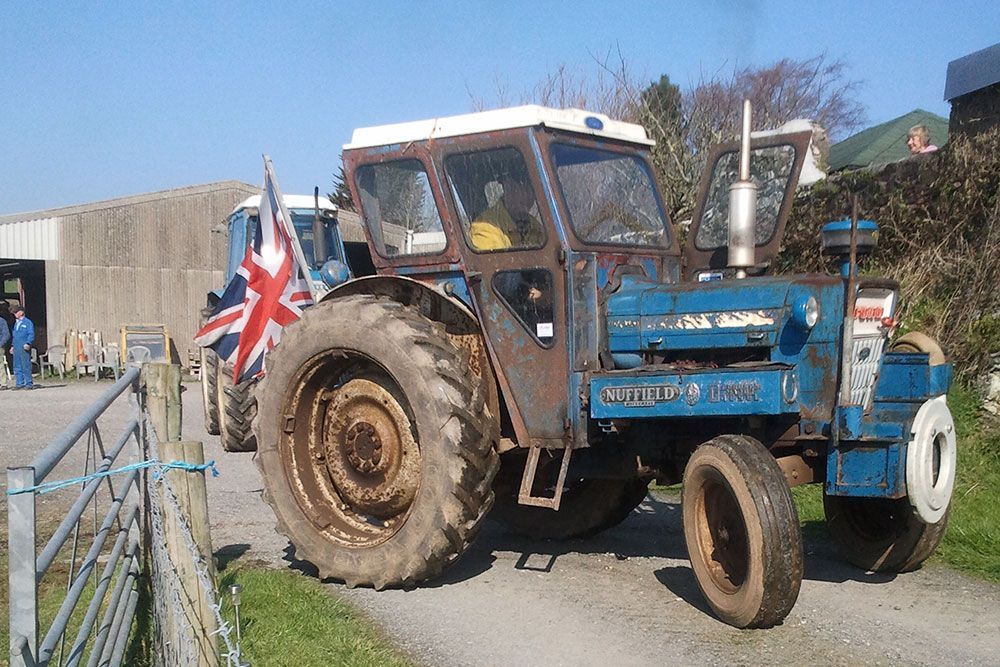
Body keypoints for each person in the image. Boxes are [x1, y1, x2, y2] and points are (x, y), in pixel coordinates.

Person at [470, 174, 545, 251]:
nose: (528, 195)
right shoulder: (485, 227)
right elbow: (495, 261)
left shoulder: (536, 228)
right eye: (522, 187)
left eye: (532, 190)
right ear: (507, 187)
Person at [10, 305, 35, 390]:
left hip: (24, 346)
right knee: (17, 366)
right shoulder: (16, 323)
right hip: (16, 346)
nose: (15, 314)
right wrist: (12, 346)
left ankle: (28, 383)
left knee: (25, 365)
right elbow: (15, 336)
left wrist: (28, 343)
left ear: (21, 312)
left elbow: (31, 334)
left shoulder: (28, 323)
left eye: (16, 312)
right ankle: (19, 383)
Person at [0, 312, 9, 389]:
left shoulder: (2, 321)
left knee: (0, 365)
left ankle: (3, 383)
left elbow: (6, 334)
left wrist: (1, 344)